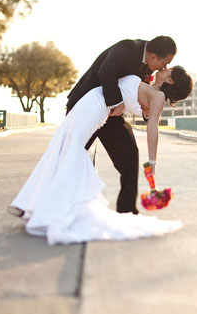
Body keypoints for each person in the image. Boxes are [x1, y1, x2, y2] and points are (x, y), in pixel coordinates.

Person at [9, 66, 193, 245]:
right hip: (95, 103)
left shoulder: (157, 97)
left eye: (169, 69)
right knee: (67, 149)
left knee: (72, 150)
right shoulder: (148, 81)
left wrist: (152, 160)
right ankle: (40, 202)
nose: (165, 67)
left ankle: (54, 206)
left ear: (170, 79)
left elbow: (153, 127)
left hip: (101, 109)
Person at [67, 36, 178, 214]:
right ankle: (52, 200)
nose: (163, 68)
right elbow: (106, 72)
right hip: (89, 105)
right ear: (154, 57)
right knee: (70, 154)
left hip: (110, 114)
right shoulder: (127, 48)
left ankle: (127, 210)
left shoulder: (150, 76)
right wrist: (117, 102)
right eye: (165, 63)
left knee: (130, 154)